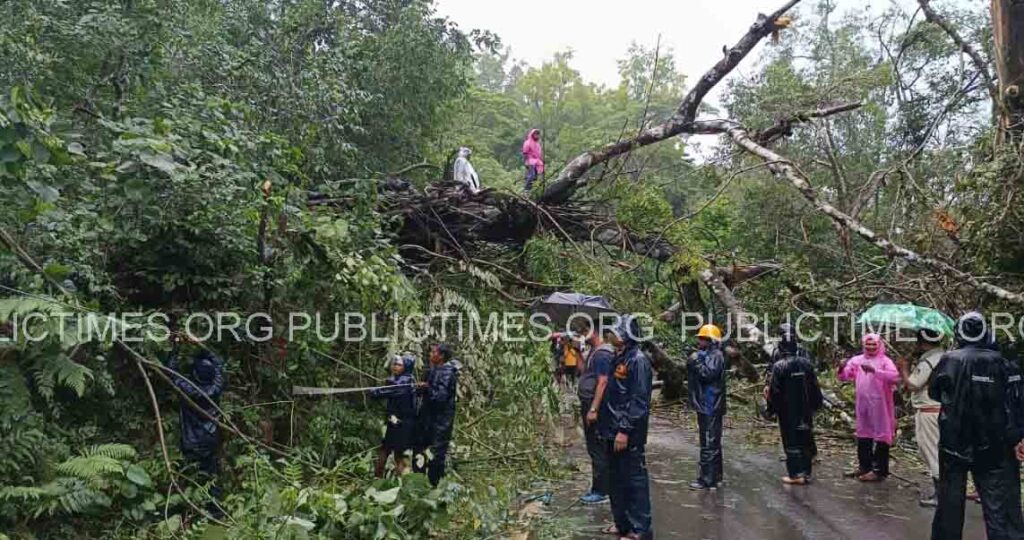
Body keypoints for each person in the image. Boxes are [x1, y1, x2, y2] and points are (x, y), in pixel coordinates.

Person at [929, 312, 1024, 540]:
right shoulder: (1004, 363)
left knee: (950, 503)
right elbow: (1016, 403)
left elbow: (935, 392)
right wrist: (1018, 437)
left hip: (955, 441)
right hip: (995, 443)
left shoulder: (950, 360)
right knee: (998, 505)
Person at [598, 316, 653, 540]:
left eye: (616, 332)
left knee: (634, 481)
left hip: (626, 434)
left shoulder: (638, 360)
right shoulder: (617, 357)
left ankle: (639, 530)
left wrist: (624, 430)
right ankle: (622, 523)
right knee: (615, 480)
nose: (612, 336)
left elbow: (638, 401)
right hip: (610, 429)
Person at [165, 334, 225, 507]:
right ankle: (214, 508)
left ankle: (192, 509)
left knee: (192, 477)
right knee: (211, 476)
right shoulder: (216, 387)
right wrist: (200, 345)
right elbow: (219, 365)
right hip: (211, 439)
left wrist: (175, 348)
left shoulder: (189, 389)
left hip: (192, 441)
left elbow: (171, 372)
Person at [837, 333, 900, 482]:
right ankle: (865, 467)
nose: (871, 347)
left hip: (880, 404)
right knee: (863, 434)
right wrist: (841, 368)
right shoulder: (857, 360)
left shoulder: (885, 361)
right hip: (863, 403)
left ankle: (879, 470)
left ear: (879, 345)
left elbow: (895, 377)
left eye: (874, 344)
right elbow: (845, 376)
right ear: (863, 345)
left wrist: (875, 371)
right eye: (868, 344)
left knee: (881, 435)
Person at [765, 323, 823, 485]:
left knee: (792, 440)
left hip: (789, 406)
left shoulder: (783, 364)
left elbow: (775, 391)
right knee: (802, 435)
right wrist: (816, 404)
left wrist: (771, 408)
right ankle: (805, 472)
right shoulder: (804, 363)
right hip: (803, 404)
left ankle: (797, 474)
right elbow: (814, 386)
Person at [897, 328, 945, 507]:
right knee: (938, 451)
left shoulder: (929, 361)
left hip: (928, 411)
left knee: (931, 451)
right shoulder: (945, 357)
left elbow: (913, 385)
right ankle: (942, 493)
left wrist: (904, 369)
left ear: (922, 342)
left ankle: (940, 495)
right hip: (939, 409)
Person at [577, 321, 615, 505]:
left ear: (595, 331)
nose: (582, 333)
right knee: (593, 446)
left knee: (597, 447)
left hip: (595, 407)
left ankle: (601, 490)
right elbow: (583, 372)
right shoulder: (594, 352)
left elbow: (602, 382)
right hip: (588, 403)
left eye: (586, 330)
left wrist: (594, 408)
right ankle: (599, 487)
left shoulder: (602, 354)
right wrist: (576, 351)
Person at [688, 324, 726, 490]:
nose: (699, 341)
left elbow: (707, 374)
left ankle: (707, 479)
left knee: (709, 442)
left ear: (709, 340)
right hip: (708, 404)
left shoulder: (715, 355)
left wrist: (695, 361)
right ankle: (715, 477)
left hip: (710, 404)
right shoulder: (711, 354)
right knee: (712, 442)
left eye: (702, 338)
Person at [415, 343, 459, 486]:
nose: (430, 354)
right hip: (426, 419)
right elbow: (425, 394)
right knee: (419, 450)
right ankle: (418, 484)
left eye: (433, 352)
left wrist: (427, 388)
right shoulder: (432, 370)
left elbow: (440, 398)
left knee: (436, 455)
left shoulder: (447, 373)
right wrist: (420, 388)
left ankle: (434, 486)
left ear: (441, 356)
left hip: (440, 422)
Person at [369, 353, 417, 478]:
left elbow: (385, 392)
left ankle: (400, 481)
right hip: (395, 422)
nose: (395, 367)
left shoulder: (404, 381)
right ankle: (379, 478)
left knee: (398, 454)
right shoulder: (402, 380)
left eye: (399, 365)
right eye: (394, 364)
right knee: (387, 451)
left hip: (403, 424)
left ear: (406, 367)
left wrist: (373, 391)